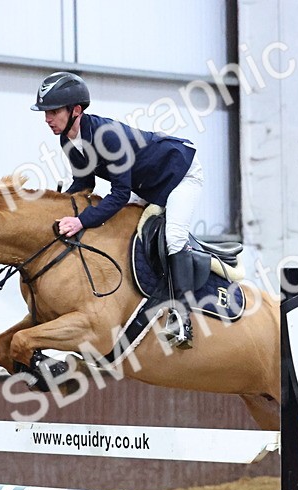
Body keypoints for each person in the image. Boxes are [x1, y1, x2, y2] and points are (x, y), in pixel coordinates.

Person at [31, 71, 204, 348]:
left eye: (53, 112)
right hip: (145, 184)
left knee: (174, 237)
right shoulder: (67, 140)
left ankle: (182, 318)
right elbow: (84, 183)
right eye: (45, 113)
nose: (47, 119)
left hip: (179, 173)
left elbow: (120, 194)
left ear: (76, 110)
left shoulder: (107, 137)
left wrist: (80, 221)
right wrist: (57, 206)